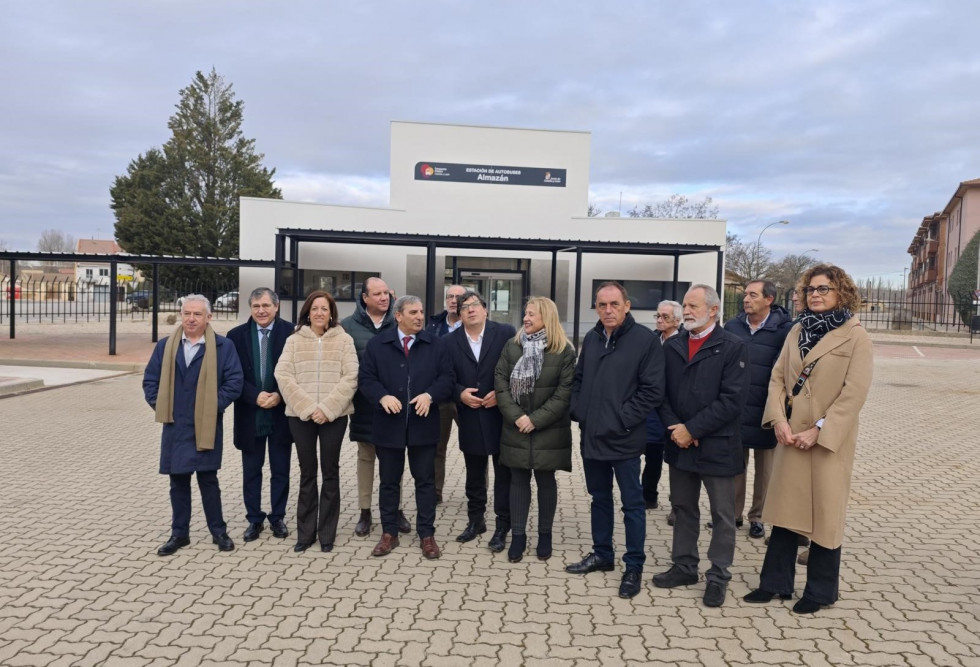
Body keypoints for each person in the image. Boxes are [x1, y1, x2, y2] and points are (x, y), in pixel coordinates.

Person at [744, 264, 873, 614]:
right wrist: (778, 420)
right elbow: (777, 379)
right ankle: (775, 583)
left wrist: (819, 429)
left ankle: (820, 591)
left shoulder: (856, 335)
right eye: (810, 289)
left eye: (824, 289)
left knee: (826, 516)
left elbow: (854, 394)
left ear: (841, 293)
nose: (815, 294)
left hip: (827, 442)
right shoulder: (797, 330)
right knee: (785, 512)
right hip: (790, 437)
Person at [567, 282, 664, 600]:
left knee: (633, 504)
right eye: (601, 305)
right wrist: (579, 411)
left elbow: (651, 391)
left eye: (613, 304)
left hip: (624, 438)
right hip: (592, 436)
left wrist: (620, 419)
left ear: (627, 306)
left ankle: (633, 565)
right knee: (599, 498)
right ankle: (602, 555)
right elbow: (579, 379)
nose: (607, 310)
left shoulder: (645, 341)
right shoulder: (593, 338)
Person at [654, 284, 748, 607]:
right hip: (680, 445)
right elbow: (661, 395)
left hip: (718, 447)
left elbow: (732, 401)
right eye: (685, 305)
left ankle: (718, 576)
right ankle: (684, 566)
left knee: (723, 515)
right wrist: (678, 430)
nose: (687, 311)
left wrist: (692, 429)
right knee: (683, 508)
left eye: (693, 305)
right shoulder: (673, 346)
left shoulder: (732, 346)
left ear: (713, 311)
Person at [143, 294, 243, 556]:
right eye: (187, 313)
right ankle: (179, 534)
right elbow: (150, 381)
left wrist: (212, 406)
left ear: (209, 317)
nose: (191, 318)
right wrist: (162, 405)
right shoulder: (166, 346)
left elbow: (234, 382)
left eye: (197, 314)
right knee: (178, 482)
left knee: (209, 480)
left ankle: (218, 532)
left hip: (206, 425)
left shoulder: (223, 347)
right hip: (176, 425)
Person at [359, 295, 454, 559]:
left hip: (423, 427)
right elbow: (365, 378)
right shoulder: (378, 345)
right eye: (413, 312)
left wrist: (430, 395)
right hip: (389, 427)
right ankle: (389, 533)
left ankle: (427, 534)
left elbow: (447, 378)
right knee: (389, 482)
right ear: (398, 316)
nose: (419, 316)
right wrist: (381, 396)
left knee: (425, 482)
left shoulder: (436, 345)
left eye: (422, 311)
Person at [275, 290, 358, 552]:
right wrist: (310, 408)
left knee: (330, 472)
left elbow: (351, 376)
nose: (319, 313)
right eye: (314, 309)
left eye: (324, 308)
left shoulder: (344, 340)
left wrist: (328, 409)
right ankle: (305, 533)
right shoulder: (293, 341)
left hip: (334, 416)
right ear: (307, 313)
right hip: (301, 417)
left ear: (331, 313)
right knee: (307, 473)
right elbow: (283, 375)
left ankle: (327, 534)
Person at [495, 297, 576, 563]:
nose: (526, 318)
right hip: (516, 426)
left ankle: (545, 535)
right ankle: (518, 536)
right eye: (525, 313)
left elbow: (564, 394)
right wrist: (518, 417)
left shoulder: (564, 351)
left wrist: (535, 420)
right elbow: (501, 384)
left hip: (548, 429)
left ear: (547, 318)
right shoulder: (513, 345)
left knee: (545, 481)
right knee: (517, 480)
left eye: (532, 314)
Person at [340, 277, 412, 538]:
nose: (384, 297)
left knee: (394, 458)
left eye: (386, 293)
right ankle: (365, 511)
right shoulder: (347, 327)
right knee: (366, 458)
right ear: (365, 298)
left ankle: (396, 509)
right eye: (378, 294)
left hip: (396, 406)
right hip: (365, 405)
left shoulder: (400, 322)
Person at [723, 280, 792, 540]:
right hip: (736, 410)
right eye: (745, 295)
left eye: (752, 295)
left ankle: (758, 518)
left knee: (766, 471)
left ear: (769, 299)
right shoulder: (732, 326)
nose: (746, 299)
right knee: (734, 467)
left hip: (767, 412)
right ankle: (732, 514)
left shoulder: (784, 331)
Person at [448, 290, 516, 548]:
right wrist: (459, 394)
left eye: (475, 305)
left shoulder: (506, 333)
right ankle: (476, 521)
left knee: (504, 474)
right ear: (460, 314)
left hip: (501, 415)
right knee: (474, 474)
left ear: (486, 310)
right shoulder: (449, 342)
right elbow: (445, 377)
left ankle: (502, 526)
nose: (470, 309)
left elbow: (518, 369)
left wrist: (502, 394)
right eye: (465, 307)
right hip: (470, 415)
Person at [227, 287, 294, 543]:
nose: (261, 311)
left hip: (280, 414)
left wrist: (279, 394)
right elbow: (231, 375)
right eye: (256, 306)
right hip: (249, 413)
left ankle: (277, 517)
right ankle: (254, 519)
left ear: (276, 307)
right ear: (250, 308)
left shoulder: (291, 333)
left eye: (266, 305)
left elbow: (296, 372)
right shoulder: (236, 336)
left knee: (280, 469)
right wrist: (253, 395)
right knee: (251, 470)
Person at [428, 284, 467, 504]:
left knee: (475, 448)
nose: (453, 300)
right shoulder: (434, 325)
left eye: (458, 297)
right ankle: (434, 493)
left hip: (466, 397)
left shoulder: (473, 325)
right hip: (441, 398)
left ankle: (476, 494)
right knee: (436, 447)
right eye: (450, 296)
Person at [646, 300, 683, 515]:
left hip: (674, 410)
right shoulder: (652, 340)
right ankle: (648, 496)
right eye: (658, 316)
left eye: (665, 317)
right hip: (651, 409)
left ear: (677, 321)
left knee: (676, 460)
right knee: (652, 453)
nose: (659, 320)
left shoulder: (683, 343)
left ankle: (678, 506)